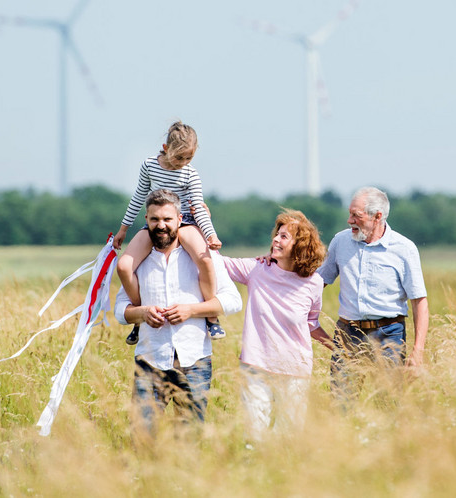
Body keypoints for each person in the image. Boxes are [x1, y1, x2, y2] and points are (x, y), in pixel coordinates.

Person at [113, 189, 242, 438]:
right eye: (154, 220)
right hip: (149, 361)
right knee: (142, 438)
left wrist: (191, 311)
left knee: (189, 440)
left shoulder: (204, 255)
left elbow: (232, 300)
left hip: (194, 361)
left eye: (167, 219)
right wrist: (142, 313)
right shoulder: (139, 260)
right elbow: (120, 309)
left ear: (180, 219)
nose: (161, 226)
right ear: (147, 221)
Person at [222, 209, 332, 441]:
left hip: (295, 370)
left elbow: (311, 323)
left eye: (284, 237)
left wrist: (337, 346)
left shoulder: (313, 283)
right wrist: (198, 223)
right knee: (255, 435)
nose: (275, 239)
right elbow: (214, 262)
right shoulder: (256, 269)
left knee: (288, 437)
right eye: (277, 234)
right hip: (256, 366)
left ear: (300, 246)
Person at [115, 121, 225, 347]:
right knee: (124, 266)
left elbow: (198, 207)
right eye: (179, 158)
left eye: (188, 159)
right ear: (165, 148)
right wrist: (123, 229)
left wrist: (211, 235)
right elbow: (138, 197)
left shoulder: (190, 174)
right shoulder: (149, 165)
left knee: (204, 260)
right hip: (157, 223)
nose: (182, 164)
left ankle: (212, 318)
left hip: (185, 221)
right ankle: (139, 316)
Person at [318, 187, 429, 400]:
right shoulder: (340, 242)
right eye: (350, 213)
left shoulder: (404, 248)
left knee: (388, 402)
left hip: (389, 334)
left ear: (377, 217)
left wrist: (418, 351)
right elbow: (318, 281)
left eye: (356, 216)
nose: (349, 220)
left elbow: (419, 302)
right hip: (348, 334)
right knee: (341, 402)